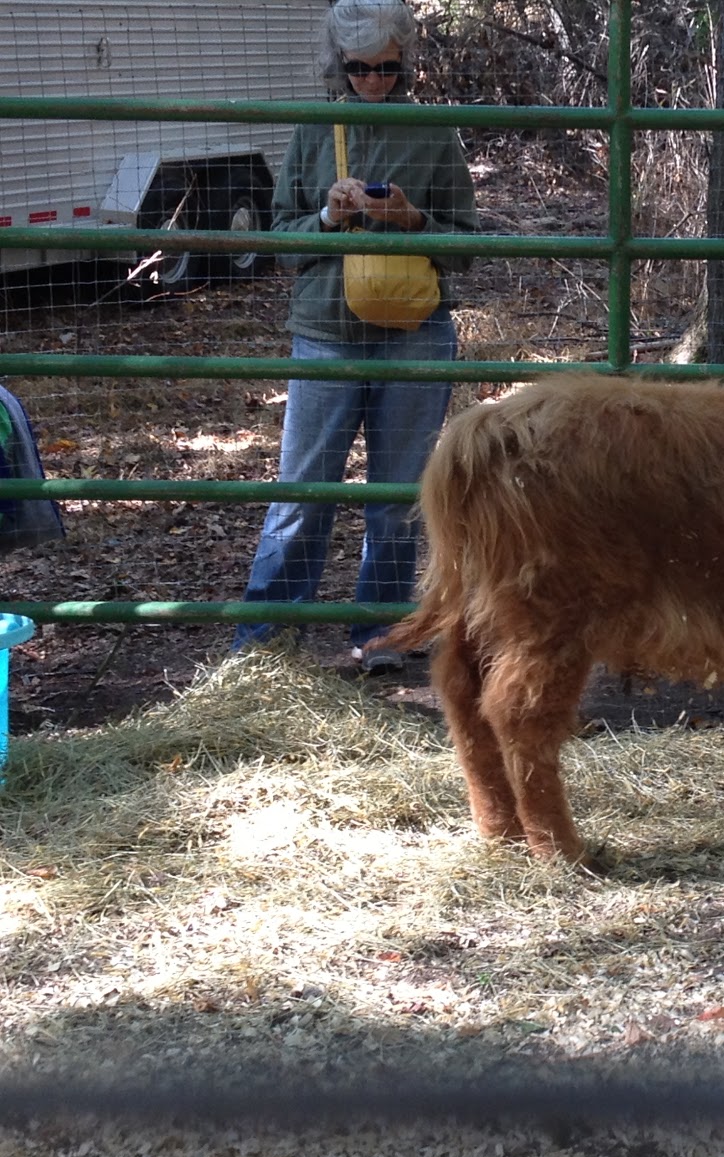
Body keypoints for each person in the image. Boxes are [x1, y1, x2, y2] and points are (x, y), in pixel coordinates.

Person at [232, 0, 478, 673]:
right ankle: (265, 642)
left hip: (414, 332)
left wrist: (411, 219)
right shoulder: (316, 128)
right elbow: (279, 242)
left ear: (406, 62)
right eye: (359, 68)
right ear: (338, 64)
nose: (373, 80)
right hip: (326, 332)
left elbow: (466, 245)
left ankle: (382, 637)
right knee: (303, 493)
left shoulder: (432, 133)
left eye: (387, 68)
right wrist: (325, 217)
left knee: (396, 498)